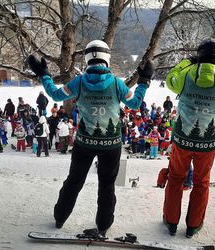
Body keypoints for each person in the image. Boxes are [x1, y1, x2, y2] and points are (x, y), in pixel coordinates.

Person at [27, 39, 154, 235]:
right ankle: (103, 225)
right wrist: (144, 81)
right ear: (107, 59)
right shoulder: (117, 84)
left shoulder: (79, 82)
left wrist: (43, 74)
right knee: (107, 185)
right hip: (111, 144)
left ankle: (60, 217)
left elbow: (55, 94)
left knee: (74, 181)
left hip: (84, 142)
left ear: (87, 59)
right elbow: (136, 103)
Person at [163, 37, 215, 237]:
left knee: (177, 178)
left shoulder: (186, 75)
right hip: (209, 141)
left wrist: (186, 63)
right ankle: (193, 224)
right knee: (202, 182)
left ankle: (170, 220)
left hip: (183, 139)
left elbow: (170, 79)